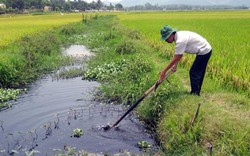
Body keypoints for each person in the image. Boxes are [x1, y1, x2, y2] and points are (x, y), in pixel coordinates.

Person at [159, 25, 212, 96]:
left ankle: (195, 93)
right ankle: (196, 91)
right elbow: (179, 54)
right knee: (198, 72)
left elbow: (177, 57)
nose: (166, 41)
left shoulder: (180, 40)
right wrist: (175, 65)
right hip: (205, 49)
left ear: (171, 35)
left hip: (204, 51)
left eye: (166, 38)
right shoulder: (178, 37)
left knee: (194, 72)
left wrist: (164, 71)